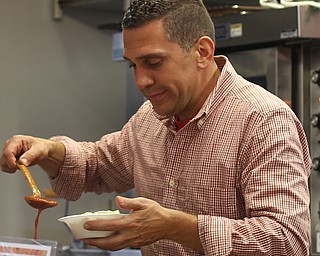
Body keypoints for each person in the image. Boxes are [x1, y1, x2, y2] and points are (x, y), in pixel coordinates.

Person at [0, 0, 312, 255]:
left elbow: (287, 240)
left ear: (202, 52)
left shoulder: (263, 121)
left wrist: (174, 226)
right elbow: (98, 165)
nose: (141, 82)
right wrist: (50, 151)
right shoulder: (150, 117)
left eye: (154, 62)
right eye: (132, 65)